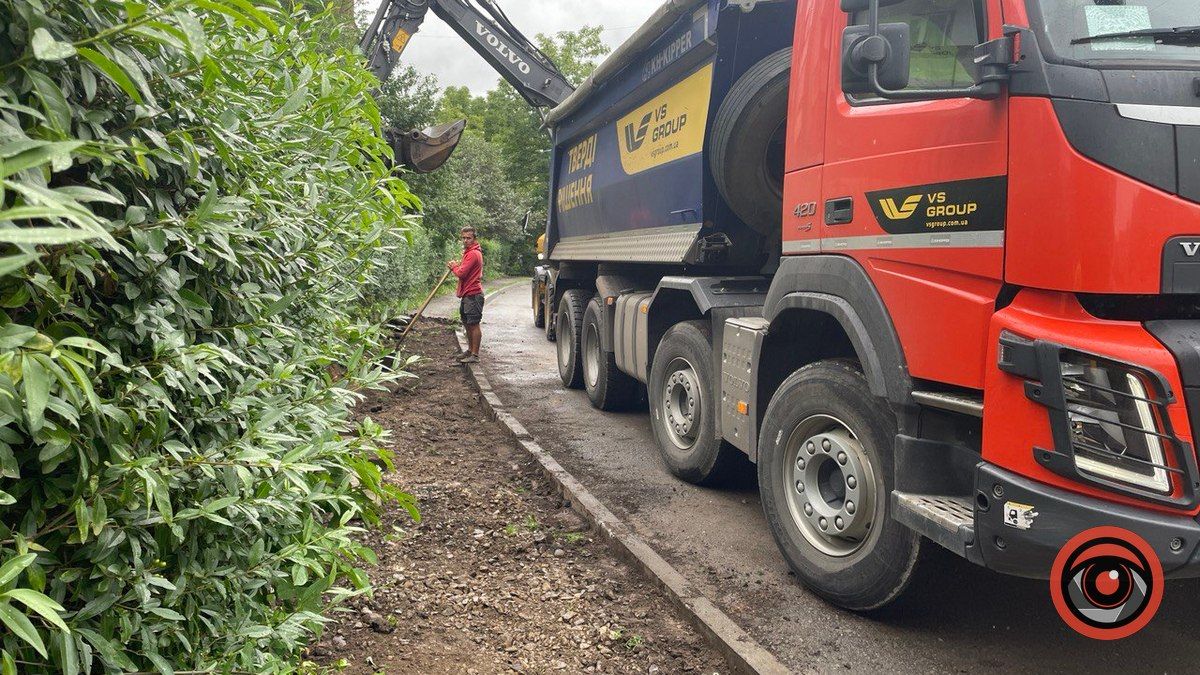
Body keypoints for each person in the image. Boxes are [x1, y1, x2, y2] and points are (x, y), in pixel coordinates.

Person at [448, 226, 484, 363]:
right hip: (467, 294)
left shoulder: (474, 254)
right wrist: (457, 266)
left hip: (473, 295)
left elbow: (461, 273)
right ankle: (469, 350)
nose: (465, 240)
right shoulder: (469, 253)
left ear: (474, 238)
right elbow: (463, 269)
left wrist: (453, 267)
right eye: (463, 238)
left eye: (468, 238)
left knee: (474, 324)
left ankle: (474, 355)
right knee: (466, 323)